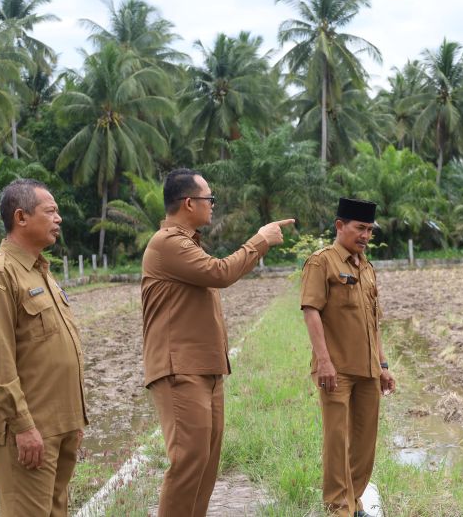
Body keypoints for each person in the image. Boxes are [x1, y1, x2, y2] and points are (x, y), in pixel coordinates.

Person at [141, 168, 294, 517]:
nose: (213, 205)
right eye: (209, 199)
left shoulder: (187, 243)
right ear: (188, 202)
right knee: (188, 460)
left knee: (205, 463)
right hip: (180, 368)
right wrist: (260, 239)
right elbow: (221, 273)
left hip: (205, 368)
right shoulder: (168, 243)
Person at [0, 179, 87, 517]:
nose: (59, 219)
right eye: (50, 211)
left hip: (58, 426)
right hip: (28, 430)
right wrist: (23, 427)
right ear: (21, 217)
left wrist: (73, 420)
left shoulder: (40, 272)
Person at [300, 197, 397, 517]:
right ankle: (338, 508)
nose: (366, 235)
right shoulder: (322, 262)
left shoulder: (366, 266)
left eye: (370, 230)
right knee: (337, 441)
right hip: (337, 370)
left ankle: (353, 501)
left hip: (368, 370)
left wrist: (383, 365)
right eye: (360, 228)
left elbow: (374, 321)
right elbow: (311, 311)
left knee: (364, 443)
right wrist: (324, 361)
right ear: (340, 226)